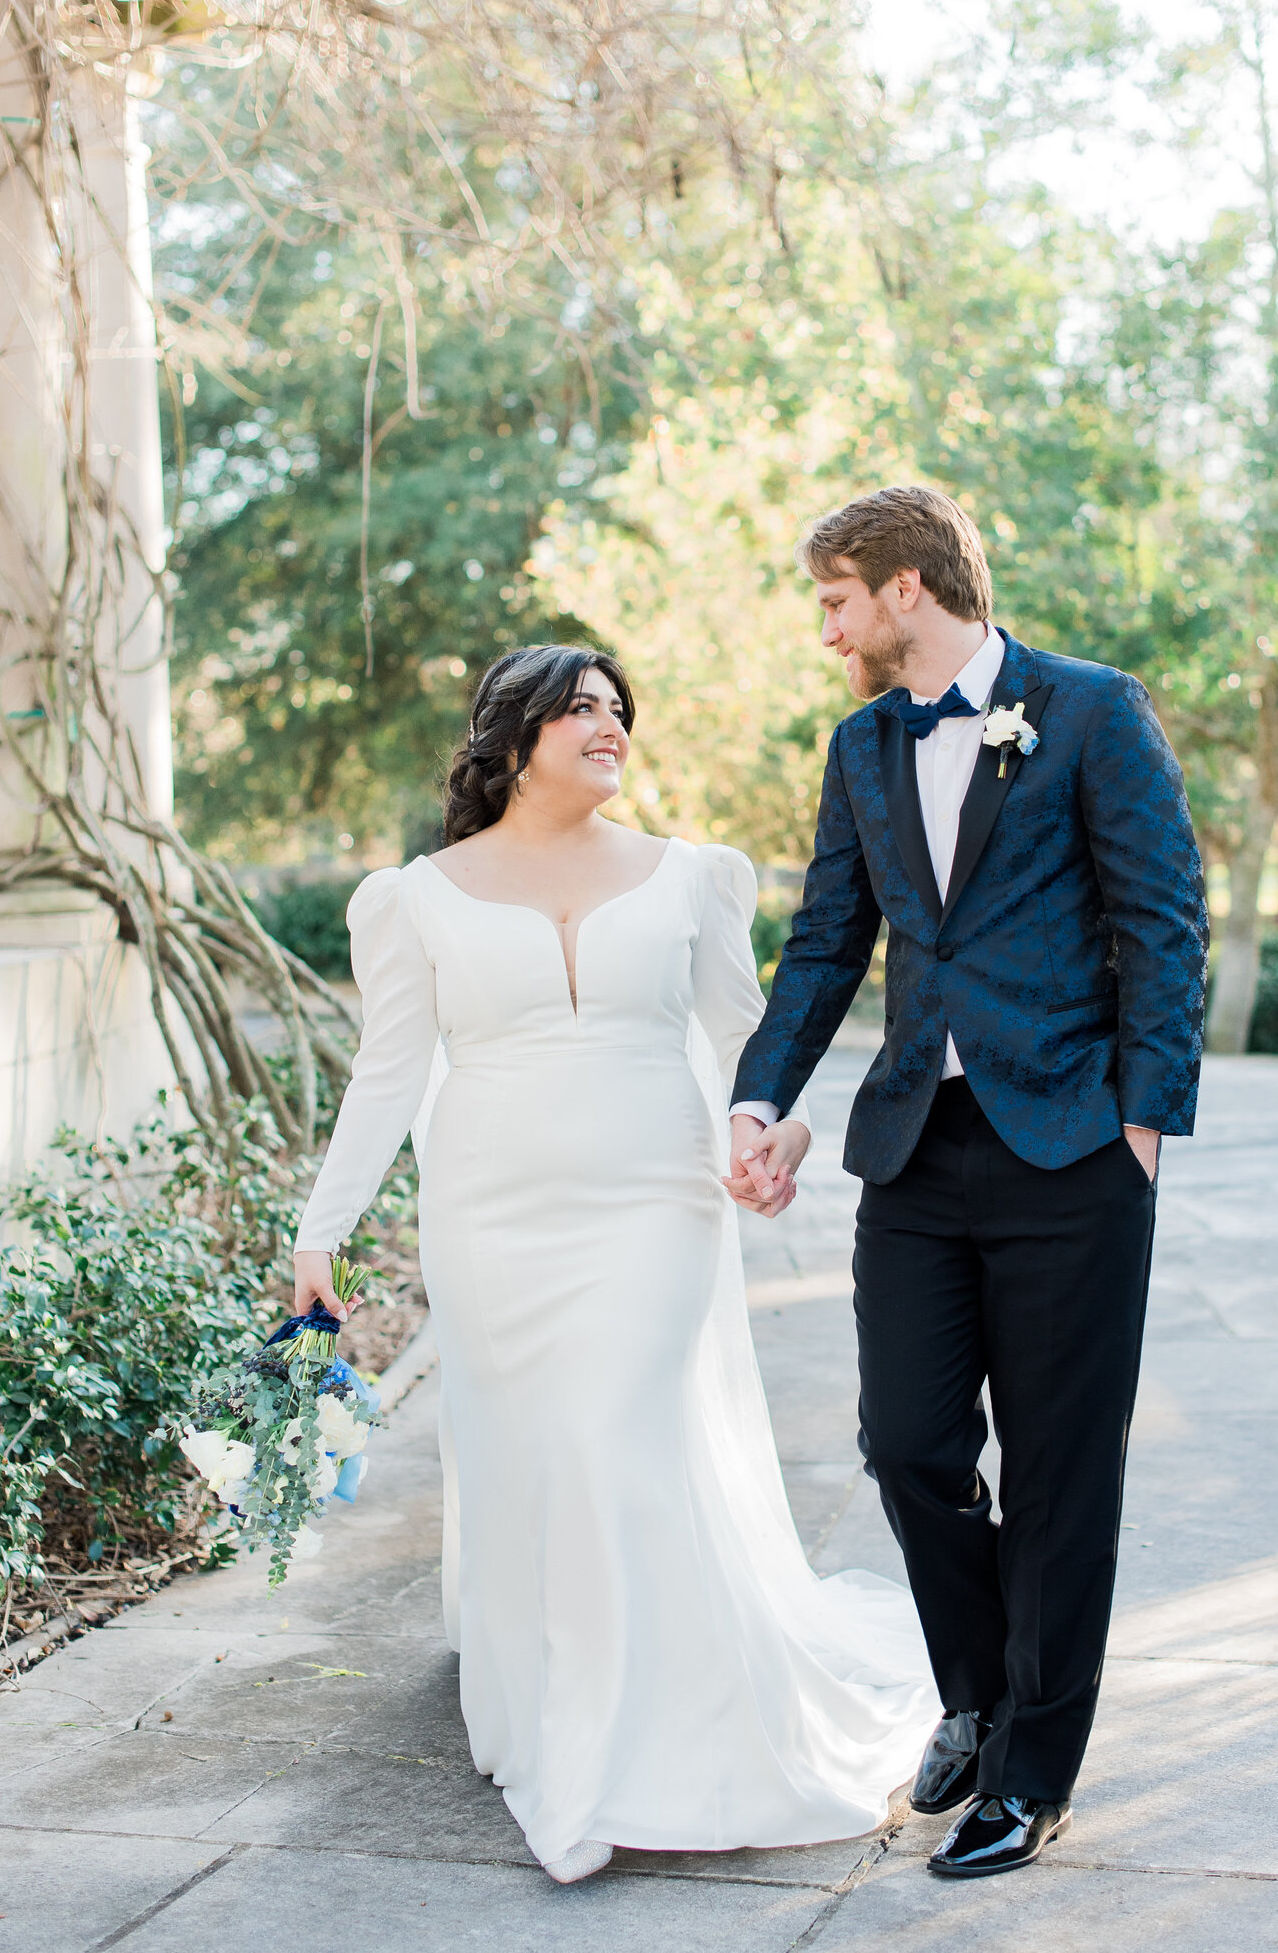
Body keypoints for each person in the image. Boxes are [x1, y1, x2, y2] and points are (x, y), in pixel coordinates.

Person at [291, 643, 939, 1884]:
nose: (608, 727)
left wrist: (782, 1134)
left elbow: (754, 1039)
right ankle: (558, 1696)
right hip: (493, 1210)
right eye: (580, 709)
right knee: (536, 1449)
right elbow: (386, 1073)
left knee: (612, 1436)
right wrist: (320, 1229)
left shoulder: (691, 877)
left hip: (655, 1197)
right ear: (512, 736)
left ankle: (629, 1743)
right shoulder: (415, 898)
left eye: (617, 711)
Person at [726, 484, 1208, 1879]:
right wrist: (764, 1094)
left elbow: (1164, 920)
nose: (826, 631)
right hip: (916, 1152)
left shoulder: (1093, 710)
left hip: (1075, 1148)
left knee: (1060, 1469)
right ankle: (978, 1691)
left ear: (905, 591)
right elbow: (827, 939)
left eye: (834, 601)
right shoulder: (865, 743)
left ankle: (1032, 1770)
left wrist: (1146, 1124)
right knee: (913, 1442)